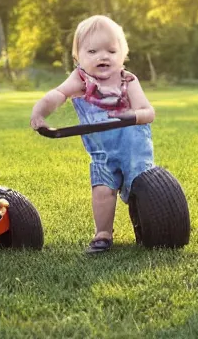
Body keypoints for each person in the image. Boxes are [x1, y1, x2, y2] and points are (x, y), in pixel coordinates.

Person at [30, 15, 156, 253]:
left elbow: (148, 111)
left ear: (123, 54)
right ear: (78, 57)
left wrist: (132, 116)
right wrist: (40, 112)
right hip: (102, 153)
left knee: (142, 189)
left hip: (134, 150)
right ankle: (103, 233)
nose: (103, 56)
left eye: (111, 50)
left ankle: (148, 227)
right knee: (102, 191)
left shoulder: (128, 80)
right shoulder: (81, 80)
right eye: (93, 51)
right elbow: (58, 95)